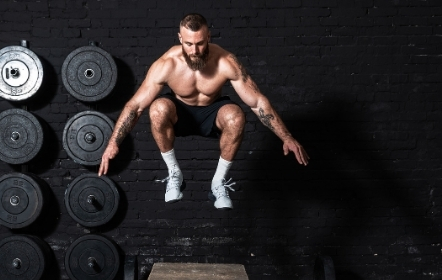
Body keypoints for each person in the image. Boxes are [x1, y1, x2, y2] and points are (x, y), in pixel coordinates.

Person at [98, 13, 309, 209]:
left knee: (236, 116)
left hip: (212, 113)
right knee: (157, 108)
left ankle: (218, 183)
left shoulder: (226, 61)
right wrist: (113, 143)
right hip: (179, 114)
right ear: (180, 38)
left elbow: (257, 103)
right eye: (189, 44)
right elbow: (135, 106)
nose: (195, 50)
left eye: (200, 43)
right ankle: (174, 174)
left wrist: (286, 136)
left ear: (208, 36)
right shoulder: (167, 64)